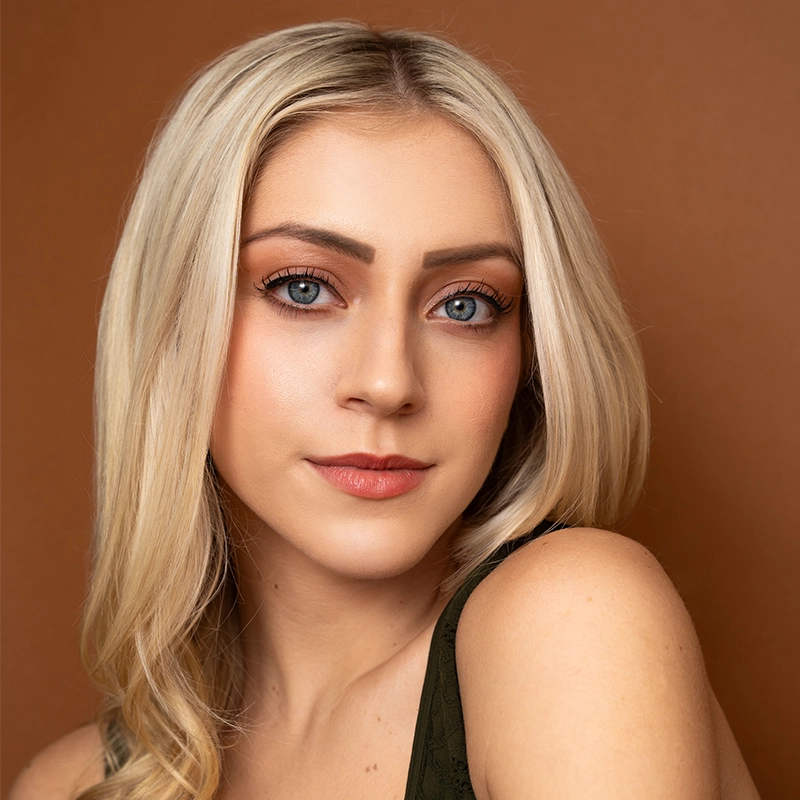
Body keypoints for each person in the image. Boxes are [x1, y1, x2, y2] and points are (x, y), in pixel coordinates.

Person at [11, 21, 759, 800]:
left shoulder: (574, 622)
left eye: (465, 304)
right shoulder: (69, 785)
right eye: (304, 288)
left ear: (531, 356)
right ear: (174, 325)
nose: (388, 381)